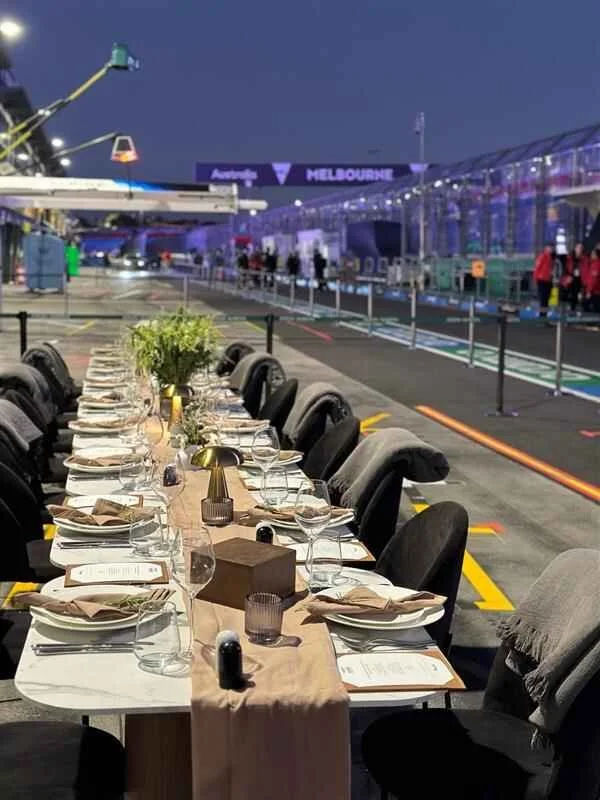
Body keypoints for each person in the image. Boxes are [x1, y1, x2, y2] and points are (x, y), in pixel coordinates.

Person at [560, 243, 588, 313]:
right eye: (578, 248)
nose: (580, 249)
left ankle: (572, 313)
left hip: (578, 280)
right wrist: (567, 278)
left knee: (575, 298)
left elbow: (585, 270)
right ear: (575, 248)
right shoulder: (569, 257)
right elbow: (564, 269)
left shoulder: (584, 259)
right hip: (568, 280)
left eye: (581, 248)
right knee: (564, 297)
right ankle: (564, 314)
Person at [533, 244, 556, 318]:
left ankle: (544, 315)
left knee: (547, 299)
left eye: (552, 248)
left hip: (548, 280)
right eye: (550, 248)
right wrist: (535, 278)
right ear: (546, 248)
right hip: (542, 280)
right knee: (543, 299)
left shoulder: (552, 258)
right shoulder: (542, 256)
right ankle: (542, 315)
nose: (551, 249)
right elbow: (537, 267)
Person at [585, 248, 600, 313]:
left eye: (593, 254)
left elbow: (594, 280)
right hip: (594, 291)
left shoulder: (597, 265)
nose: (591, 255)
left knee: (586, 305)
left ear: (597, 256)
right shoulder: (593, 263)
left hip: (595, 292)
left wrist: (589, 291)